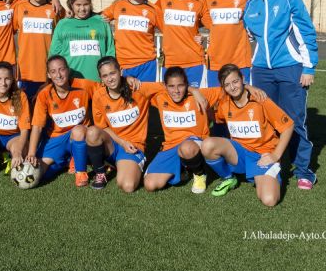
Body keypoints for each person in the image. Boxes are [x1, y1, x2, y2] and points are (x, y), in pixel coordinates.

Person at [243, 0, 318, 190]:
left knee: (294, 121)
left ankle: (304, 171)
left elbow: (306, 31)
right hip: (262, 71)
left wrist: (308, 67)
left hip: (290, 68)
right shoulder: (251, 4)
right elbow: (251, 35)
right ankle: (272, 164)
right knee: (266, 121)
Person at [201, 64, 294, 207]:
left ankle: (261, 174)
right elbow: (217, 117)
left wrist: (275, 155)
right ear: (223, 87)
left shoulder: (260, 99)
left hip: (262, 155)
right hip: (239, 153)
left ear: (243, 79)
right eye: (227, 85)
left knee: (269, 200)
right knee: (207, 145)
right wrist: (204, 106)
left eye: (235, 81)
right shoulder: (225, 103)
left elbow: (288, 126)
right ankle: (229, 178)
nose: (232, 87)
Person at [86, 57, 163, 191]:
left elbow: (168, 86)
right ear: (101, 78)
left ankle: (121, 164)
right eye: (105, 76)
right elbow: (102, 127)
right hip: (113, 143)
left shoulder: (137, 88)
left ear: (120, 71)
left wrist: (194, 91)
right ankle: (100, 172)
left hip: (134, 146)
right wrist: (122, 143)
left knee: (128, 186)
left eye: (112, 73)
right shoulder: (99, 96)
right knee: (92, 132)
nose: (109, 78)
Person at [142, 67, 223, 193]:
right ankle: (183, 169)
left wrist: (250, 87)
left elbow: (228, 89)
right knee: (150, 184)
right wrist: (192, 89)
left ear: (186, 84)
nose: (176, 91)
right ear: (165, 86)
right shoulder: (160, 97)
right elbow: (138, 87)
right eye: (171, 86)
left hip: (195, 144)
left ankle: (199, 173)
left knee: (187, 147)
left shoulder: (200, 95)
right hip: (171, 146)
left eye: (181, 85)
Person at [26, 55, 97, 187]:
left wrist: (126, 79)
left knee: (78, 129)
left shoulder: (84, 86)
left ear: (68, 70)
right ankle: (66, 160)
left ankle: (80, 172)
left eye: (61, 69)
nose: (58, 75)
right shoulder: (45, 94)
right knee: (37, 175)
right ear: (48, 75)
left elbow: (108, 87)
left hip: (80, 136)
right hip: (56, 139)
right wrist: (31, 153)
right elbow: (37, 126)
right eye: (53, 71)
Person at [12, 0, 64, 100]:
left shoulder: (54, 8)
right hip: (25, 71)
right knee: (25, 111)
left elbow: (71, 21)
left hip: (49, 71)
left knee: (47, 114)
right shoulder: (19, 7)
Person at [155, 0, 211, 87]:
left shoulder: (199, 2)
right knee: (173, 99)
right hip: (170, 62)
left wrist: (205, 37)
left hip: (194, 61)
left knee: (193, 100)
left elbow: (214, 25)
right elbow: (149, 15)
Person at [101, 0, 159, 82]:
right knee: (125, 99)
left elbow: (171, 29)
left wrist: (196, 36)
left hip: (147, 65)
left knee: (143, 98)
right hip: (123, 65)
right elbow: (98, 18)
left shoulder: (154, 10)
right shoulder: (118, 6)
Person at [202, 0, 253, 86]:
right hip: (216, 61)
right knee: (218, 101)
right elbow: (205, 18)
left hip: (240, 60)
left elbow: (253, 17)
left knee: (242, 99)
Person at [49, 0, 115, 81]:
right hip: (71, 82)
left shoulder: (101, 22)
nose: (82, 9)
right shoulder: (63, 24)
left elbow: (110, 50)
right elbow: (54, 54)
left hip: (98, 82)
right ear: (71, 4)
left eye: (86, 4)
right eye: (78, 5)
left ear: (90, 4)